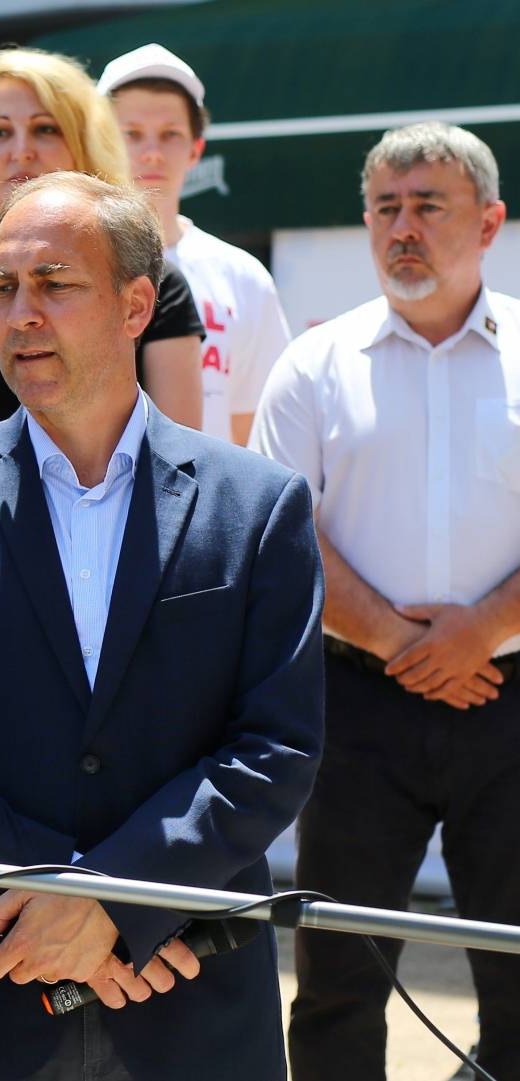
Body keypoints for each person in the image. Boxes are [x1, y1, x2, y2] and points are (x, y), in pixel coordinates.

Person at [0, 172, 324, 1080]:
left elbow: (277, 748)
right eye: (3, 287)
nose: (21, 313)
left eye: (54, 283)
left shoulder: (259, 505)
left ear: (136, 304)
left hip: (189, 1002)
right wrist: (64, 898)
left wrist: (118, 902)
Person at [251, 122, 520, 1081]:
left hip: (511, 700)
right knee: (338, 970)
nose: (402, 228)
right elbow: (285, 538)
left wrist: (481, 631)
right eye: (385, 208)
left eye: (428, 206)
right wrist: (409, 645)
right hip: (356, 704)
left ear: (488, 222)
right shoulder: (314, 366)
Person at [0, 47, 203, 477]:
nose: (21, 150)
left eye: (45, 129)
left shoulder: (156, 283)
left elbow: (180, 460)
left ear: (85, 143)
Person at [99, 43, 291, 445]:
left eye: (170, 135)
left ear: (195, 150)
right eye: (131, 134)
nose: (152, 153)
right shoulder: (68, 266)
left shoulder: (242, 276)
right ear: (102, 142)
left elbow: (255, 434)